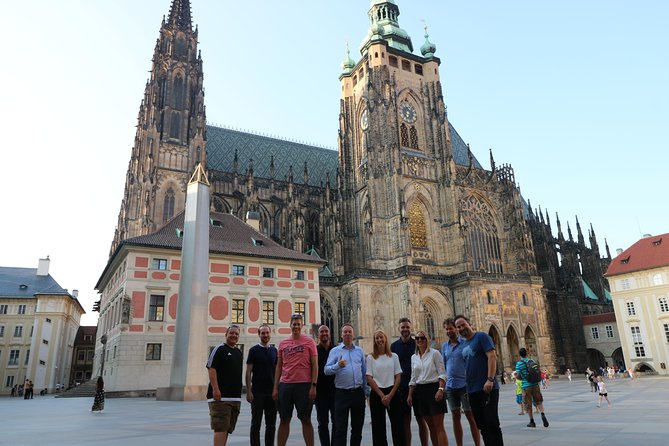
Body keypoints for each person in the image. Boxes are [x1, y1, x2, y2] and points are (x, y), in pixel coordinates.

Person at [455, 315, 504, 446]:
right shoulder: (463, 344)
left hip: (487, 387)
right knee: (482, 425)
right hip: (472, 389)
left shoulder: (482, 337)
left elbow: (492, 357)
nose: (461, 328)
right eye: (458, 327)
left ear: (469, 323)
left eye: (463, 324)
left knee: (492, 423)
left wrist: (490, 379)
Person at [273, 314, 318, 446]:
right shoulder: (283, 344)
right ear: (290, 325)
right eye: (294, 324)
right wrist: (275, 387)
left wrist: (313, 385)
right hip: (286, 385)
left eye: (299, 324)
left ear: (302, 326)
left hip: (304, 385)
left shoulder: (309, 342)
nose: (296, 326)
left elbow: (315, 365)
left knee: (306, 420)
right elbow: (279, 367)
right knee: (284, 420)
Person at [325, 324, 370, 446]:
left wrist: (366, 391)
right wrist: (337, 366)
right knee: (340, 429)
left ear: (353, 334)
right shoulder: (335, 351)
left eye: (350, 332)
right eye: (345, 332)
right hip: (342, 394)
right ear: (341, 334)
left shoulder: (359, 351)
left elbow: (364, 371)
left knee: (357, 429)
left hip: (358, 393)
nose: (347, 334)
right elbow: (326, 370)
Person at [442, 318, 481, 446]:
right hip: (451, 386)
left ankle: (477, 444)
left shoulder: (465, 343)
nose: (449, 331)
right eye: (446, 329)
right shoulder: (444, 346)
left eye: (451, 328)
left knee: (471, 417)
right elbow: (443, 366)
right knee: (455, 417)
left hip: (464, 385)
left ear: (456, 329)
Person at [391, 317, 429, 446]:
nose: (405, 329)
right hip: (402, 388)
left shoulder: (417, 343)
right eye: (403, 327)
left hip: (418, 387)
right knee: (405, 420)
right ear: (399, 329)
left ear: (410, 328)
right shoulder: (394, 346)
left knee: (420, 419)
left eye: (407, 327)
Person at [408, 330, 449, 446]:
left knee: (439, 426)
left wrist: (440, 389)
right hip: (420, 392)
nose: (419, 340)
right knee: (431, 426)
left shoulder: (435, 353)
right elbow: (413, 377)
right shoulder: (414, 357)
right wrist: (410, 395)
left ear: (427, 339)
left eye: (422, 338)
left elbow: (442, 373)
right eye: (417, 338)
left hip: (434, 389)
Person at [206, 324, 243, 446]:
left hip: (235, 398)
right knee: (220, 428)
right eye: (231, 333)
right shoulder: (219, 349)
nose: (234, 336)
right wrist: (216, 389)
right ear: (226, 334)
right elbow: (211, 369)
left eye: (236, 334)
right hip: (221, 398)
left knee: (227, 429)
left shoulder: (238, 352)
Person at [366, 330, 404, 446]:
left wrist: (390, 394)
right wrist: (382, 395)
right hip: (377, 393)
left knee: (398, 425)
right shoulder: (370, 358)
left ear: (385, 339)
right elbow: (369, 378)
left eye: (381, 337)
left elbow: (398, 376)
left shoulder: (394, 356)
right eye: (376, 338)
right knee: (378, 428)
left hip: (392, 392)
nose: (379, 340)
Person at [246, 324, 278, 446]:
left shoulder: (274, 350)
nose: (265, 335)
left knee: (271, 425)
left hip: (271, 393)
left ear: (270, 334)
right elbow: (248, 371)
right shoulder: (253, 350)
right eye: (262, 333)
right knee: (256, 424)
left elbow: (277, 371)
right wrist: (249, 390)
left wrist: (277, 389)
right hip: (257, 392)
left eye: (267, 333)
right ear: (259, 335)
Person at [515, 348, 549, 429]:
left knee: (528, 404)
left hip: (526, 386)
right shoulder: (532, 361)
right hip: (535, 384)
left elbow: (518, 377)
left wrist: (521, 377)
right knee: (539, 401)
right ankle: (542, 414)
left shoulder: (519, 364)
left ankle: (532, 421)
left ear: (520, 354)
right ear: (527, 353)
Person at [315, 325, 337, 446]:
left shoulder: (336, 350)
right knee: (322, 423)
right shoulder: (314, 350)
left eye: (326, 331)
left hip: (335, 391)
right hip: (320, 392)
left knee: (336, 423)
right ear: (318, 335)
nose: (324, 334)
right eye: (321, 332)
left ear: (330, 334)